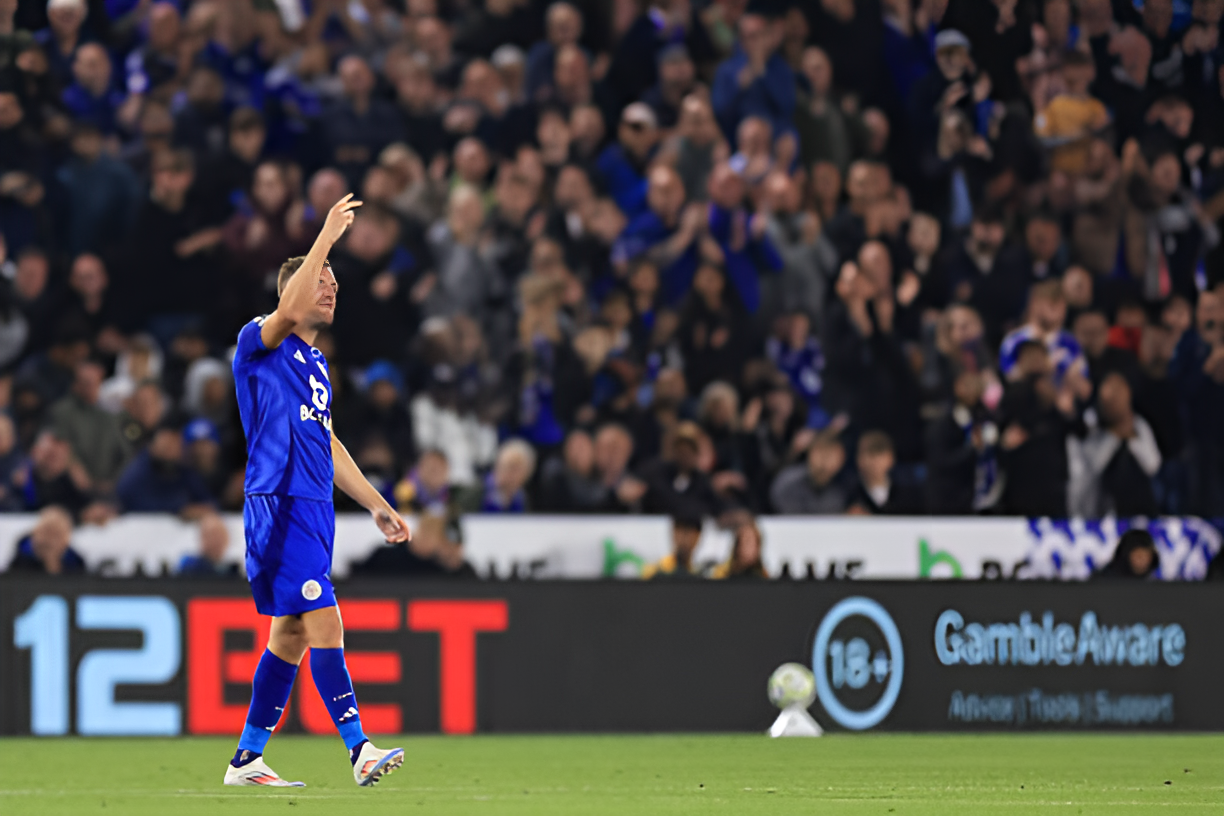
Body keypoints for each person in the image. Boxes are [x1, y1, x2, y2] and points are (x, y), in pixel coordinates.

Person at [225, 194, 406, 788]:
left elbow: (328, 448)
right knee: (325, 622)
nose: (330, 289)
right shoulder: (259, 343)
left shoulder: (317, 366)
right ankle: (359, 748)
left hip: (312, 509)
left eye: (333, 282)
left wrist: (377, 503)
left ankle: (246, 760)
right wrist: (324, 236)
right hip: (276, 505)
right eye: (320, 281)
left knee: (291, 634)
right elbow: (288, 303)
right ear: (292, 294)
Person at [6, 505, 84, 574]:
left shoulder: (75, 562)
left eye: (56, 535)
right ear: (35, 533)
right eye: (46, 532)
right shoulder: (21, 559)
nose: (50, 540)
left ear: (66, 538)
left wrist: (53, 565)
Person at [641, 514, 703, 579]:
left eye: (688, 533)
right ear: (673, 533)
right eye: (679, 531)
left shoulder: (701, 573)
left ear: (697, 536)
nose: (683, 539)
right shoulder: (655, 570)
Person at [1093, 528, 1159, 580]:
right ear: (1126, 556)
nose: (1144, 561)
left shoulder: (1154, 583)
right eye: (1139, 556)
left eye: (1148, 556)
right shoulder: (1101, 581)